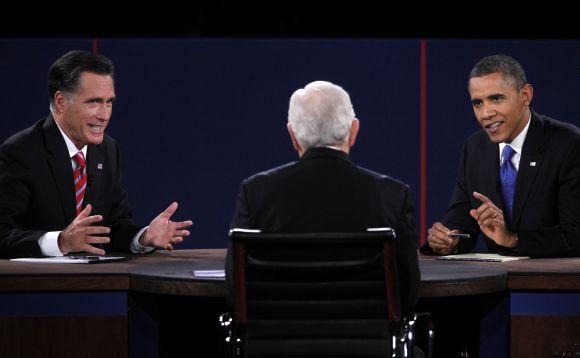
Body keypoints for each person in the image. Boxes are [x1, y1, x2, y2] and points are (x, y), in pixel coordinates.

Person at [225, 80, 420, 313]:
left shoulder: (256, 192)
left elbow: (235, 291)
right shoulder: (393, 196)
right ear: (353, 131)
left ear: (293, 135)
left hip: (277, 345)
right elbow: (407, 295)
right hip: (366, 345)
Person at [0, 50, 192, 258]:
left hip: (93, 285)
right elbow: (3, 234)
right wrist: (61, 242)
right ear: (61, 101)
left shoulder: (108, 150)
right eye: (93, 102)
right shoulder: (21, 152)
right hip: (37, 286)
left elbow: (114, 227)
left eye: (109, 102)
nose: (104, 115)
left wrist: (143, 237)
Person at [426, 54, 580, 257]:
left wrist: (513, 239)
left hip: (553, 281)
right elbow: (462, 219)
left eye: (495, 99)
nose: (485, 113)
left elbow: (575, 234)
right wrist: (449, 238)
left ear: (525, 95)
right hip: (496, 282)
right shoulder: (474, 147)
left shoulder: (568, 143)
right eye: (477, 103)